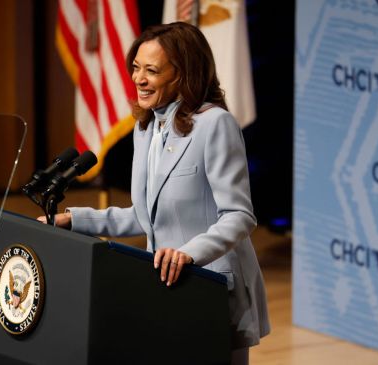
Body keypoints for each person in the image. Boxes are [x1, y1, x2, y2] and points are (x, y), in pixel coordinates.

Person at [39, 22, 269, 364]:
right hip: (164, 289)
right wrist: (73, 220)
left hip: (212, 288)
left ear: (183, 74)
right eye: (136, 67)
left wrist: (188, 254)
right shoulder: (146, 126)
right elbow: (143, 214)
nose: (138, 79)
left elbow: (239, 215)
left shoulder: (215, 124)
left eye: (151, 70)